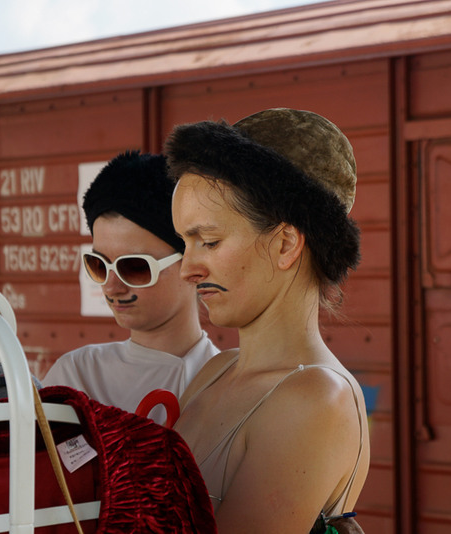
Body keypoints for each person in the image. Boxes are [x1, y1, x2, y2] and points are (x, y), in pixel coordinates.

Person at [165, 108, 370, 533]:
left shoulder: (316, 398)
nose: (187, 269)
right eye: (185, 243)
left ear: (286, 244)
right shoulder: (217, 370)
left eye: (209, 241)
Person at [42, 150, 219, 424]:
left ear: (191, 263)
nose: (112, 287)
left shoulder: (227, 384)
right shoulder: (75, 377)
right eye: (99, 265)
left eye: (135, 267)